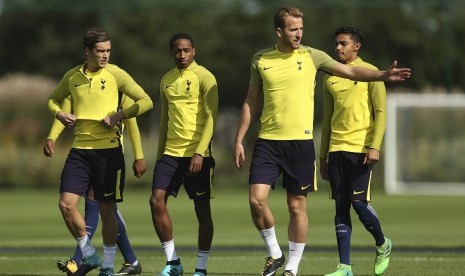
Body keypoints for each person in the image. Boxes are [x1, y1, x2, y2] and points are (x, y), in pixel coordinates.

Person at [232, 6, 409, 276]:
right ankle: (275, 253)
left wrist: (382, 75)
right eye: (293, 29)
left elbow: (351, 72)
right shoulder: (260, 59)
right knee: (257, 200)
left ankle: (292, 267)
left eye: (301, 28)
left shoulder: (313, 56)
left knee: (300, 206)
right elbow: (251, 101)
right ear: (279, 31)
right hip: (268, 141)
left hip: (302, 145)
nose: (299, 34)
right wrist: (239, 139)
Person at [47, 27, 153, 276]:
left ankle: (107, 265)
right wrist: (59, 116)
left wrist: (119, 115)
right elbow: (54, 100)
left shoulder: (116, 74)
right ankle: (88, 255)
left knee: (106, 210)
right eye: (100, 51)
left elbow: (146, 101)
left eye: (108, 51)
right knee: (66, 205)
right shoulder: (72, 77)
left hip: (109, 153)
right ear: (87, 52)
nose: (105, 56)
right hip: (80, 151)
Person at [43, 96, 145, 276]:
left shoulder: (121, 89)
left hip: (109, 157)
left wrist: (139, 156)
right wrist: (52, 137)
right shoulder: (79, 83)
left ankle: (78, 260)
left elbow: (133, 125)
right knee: (105, 209)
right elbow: (66, 111)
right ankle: (130, 261)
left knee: (99, 206)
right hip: (84, 154)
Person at [319, 27, 391, 276]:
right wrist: (322, 156)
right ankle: (345, 267)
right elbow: (327, 118)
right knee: (340, 206)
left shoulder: (371, 73)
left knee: (359, 204)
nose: (337, 48)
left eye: (343, 44)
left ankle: (382, 244)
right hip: (336, 150)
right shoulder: (330, 77)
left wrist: (375, 145)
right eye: (336, 44)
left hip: (361, 149)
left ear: (356, 46)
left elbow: (381, 112)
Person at [149, 33, 218, 276]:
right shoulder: (166, 80)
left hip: (198, 155)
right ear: (172, 53)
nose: (182, 55)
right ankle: (173, 262)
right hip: (170, 154)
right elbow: (164, 120)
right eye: (177, 51)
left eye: (186, 50)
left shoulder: (205, 77)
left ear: (194, 51)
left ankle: (201, 268)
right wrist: (159, 156)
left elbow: (211, 118)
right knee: (156, 201)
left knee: (202, 211)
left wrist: (199, 152)